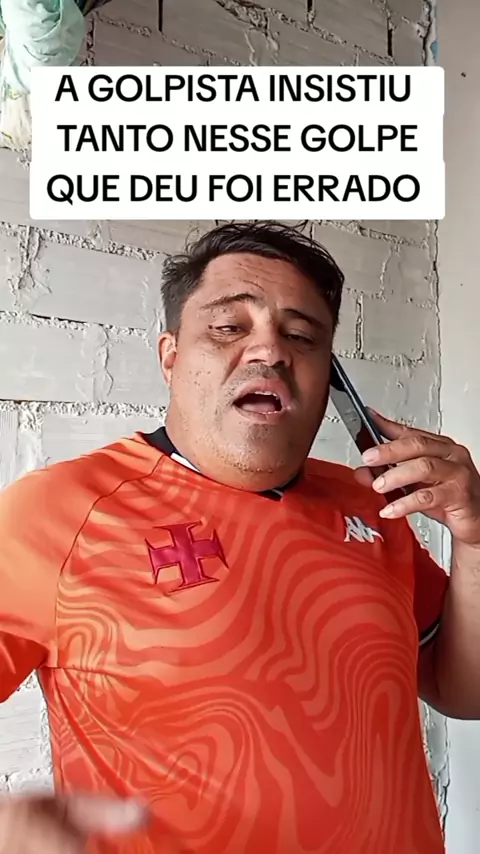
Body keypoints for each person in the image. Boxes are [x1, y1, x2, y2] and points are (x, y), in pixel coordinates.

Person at [1, 221, 480, 854]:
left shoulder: (372, 503)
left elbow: (462, 691)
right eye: (229, 326)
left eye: (302, 336)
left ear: (329, 375)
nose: (270, 352)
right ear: (170, 355)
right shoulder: (59, 511)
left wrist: (474, 540)